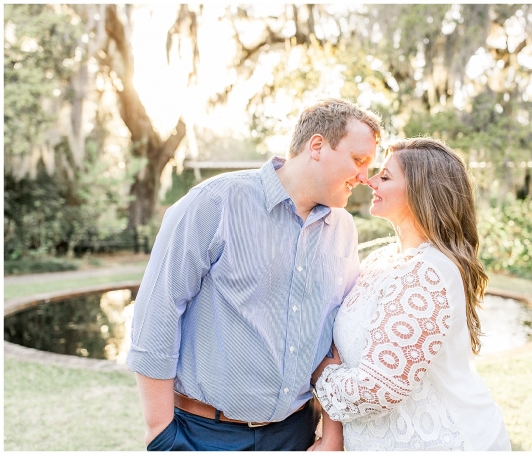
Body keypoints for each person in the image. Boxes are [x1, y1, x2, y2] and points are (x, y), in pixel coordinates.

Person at [126, 98, 381, 451]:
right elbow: (158, 311)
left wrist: (331, 434)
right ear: (318, 146)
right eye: (359, 160)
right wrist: (160, 432)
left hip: (297, 434)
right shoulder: (213, 203)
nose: (365, 177)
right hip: (204, 435)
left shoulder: (343, 230)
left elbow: (335, 335)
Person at [310, 138, 511, 451]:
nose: (369, 180)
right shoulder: (383, 259)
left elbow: (377, 390)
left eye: (386, 177)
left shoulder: (427, 273)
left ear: (422, 192)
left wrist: (319, 373)